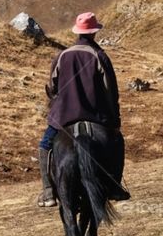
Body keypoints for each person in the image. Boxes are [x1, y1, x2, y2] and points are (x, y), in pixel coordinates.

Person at [41, 11, 126, 199]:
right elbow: (110, 91)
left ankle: (47, 190)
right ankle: (114, 185)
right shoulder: (99, 55)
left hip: (63, 117)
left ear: (77, 32)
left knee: (46, 143)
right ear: (94, 33)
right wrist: (115, 119)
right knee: (118, 141)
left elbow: (53, 87)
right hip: (95, 115)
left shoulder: (62, 56)